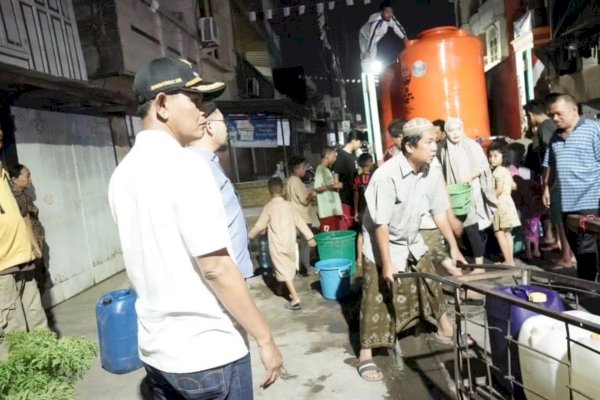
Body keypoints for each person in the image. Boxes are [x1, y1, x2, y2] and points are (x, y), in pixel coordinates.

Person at [108, 57, 282, 398]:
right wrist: (265, 338)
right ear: (161, 105)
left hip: (158, 353)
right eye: (196, 100)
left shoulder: (122, 174)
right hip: (208, 352)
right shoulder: (186, 166)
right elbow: (216, 267)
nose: (203, 111)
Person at [357, 118, 468, 382]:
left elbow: (439, 212)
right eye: (428, 142)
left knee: (429, 279)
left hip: (411, 236)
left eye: (434, 142)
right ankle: (365, 353)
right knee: (377, 293)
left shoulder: (431, 170)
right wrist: (387, 264)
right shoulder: (385, 175)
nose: (434, 147)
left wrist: (454, 248)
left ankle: (444, 328)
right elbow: (380, 224)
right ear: (409, 146)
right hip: (380, 240)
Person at [187, 103, 253, 279]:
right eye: (223, 122)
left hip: (233, 274)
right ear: (209, 126)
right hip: (226, 280)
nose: (227, 128)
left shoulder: (209, 163)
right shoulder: (198, 168)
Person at [543, 94, 600, 280]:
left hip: (591, 198)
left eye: (559, 114)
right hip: (567, 202)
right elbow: (550, 165)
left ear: (574, 110)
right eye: (552, 115)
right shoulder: (555, 136)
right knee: (575, 243)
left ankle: (588, 285)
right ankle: (588, 280)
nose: (555, 119)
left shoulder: (593, 130)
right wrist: (546, 187)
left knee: (586, 244)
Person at [0, 132, 47, 342]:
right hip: (3, 265)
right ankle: (20, 374)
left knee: (36, 316)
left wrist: (32, 244)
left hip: (23, 256)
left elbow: (22, 215)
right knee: (13, 329)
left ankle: (46, 357)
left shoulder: (3, 175)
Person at [248, 178, 316, 310]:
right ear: (283, 190)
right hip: (290, 241)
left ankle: (295, 297)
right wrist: (310, 237)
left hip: (277, 244)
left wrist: (248, 237)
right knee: (287, 267)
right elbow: (300, 222)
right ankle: (280, 288)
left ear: (269, 192)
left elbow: (259, 225)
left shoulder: (269, 207)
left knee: (282, 268)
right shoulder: (289, 205)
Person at [439, 118, 497, 267]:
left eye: (458, 129)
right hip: (454, 193)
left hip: (472, 192)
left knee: (471, 225)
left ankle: (479, 265)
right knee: (460, 227)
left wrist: (470, 177)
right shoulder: (445, 149)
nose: (455, 133)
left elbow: (484, 167)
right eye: (451, 130)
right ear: (446, 133)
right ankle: (469, 259)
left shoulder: (471, 146)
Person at [8, 164, 50, 294]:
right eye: (27, 176)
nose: (30, 179)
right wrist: (34, 245)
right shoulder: (12, 199)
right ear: (14, 179)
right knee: (32, 286)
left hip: (36, 247)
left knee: (39, 281)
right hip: (29, 250)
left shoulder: (23, 195)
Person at [488, 141, 521, 266]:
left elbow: (499, 189)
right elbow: (513, 186)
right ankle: (510, 260)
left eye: (495, 156)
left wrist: (489, 198)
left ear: (503, 157)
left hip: (500, 204)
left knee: (499, 233)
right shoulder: (506, 171)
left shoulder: (497, 172)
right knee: (507, 232)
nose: (492, 159)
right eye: (490, 156)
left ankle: (508, 261)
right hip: (508, 202)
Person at [286, 156, 317, 276]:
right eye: (304, 167)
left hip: (295, 216)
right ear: (297, 168)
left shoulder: (290, 181)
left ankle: (300, 268)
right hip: (302, 218)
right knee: (305, 244)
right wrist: (312, 194)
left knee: (299, 245)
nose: (305, 170)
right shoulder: (297, 182)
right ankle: (306, 268)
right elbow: (304, 201)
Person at [333, 130, 363, 229]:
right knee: (349, 224)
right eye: (360, 142)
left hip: (354, 195)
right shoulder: (342, 155)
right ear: (354, 141)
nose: (360, 145)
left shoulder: (352, 155)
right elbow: (336, 175)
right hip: (346, 197)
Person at [352, 152, 374, 274]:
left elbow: (355, 197)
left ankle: (359, 259)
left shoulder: (357, 179)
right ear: (370, 164)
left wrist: (355, 211)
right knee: (373, 233)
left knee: (360, 234)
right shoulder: (374, 177)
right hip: (372, 209)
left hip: (361, 209)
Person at [314, 146, 343, 232]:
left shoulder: (327, 170)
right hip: (327, 212)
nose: (335, 159)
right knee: (328, 237)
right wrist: (333, 186)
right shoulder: (320, 169)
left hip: (333, 211)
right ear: (327, 156)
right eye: (334, 156)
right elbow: (317, 188)